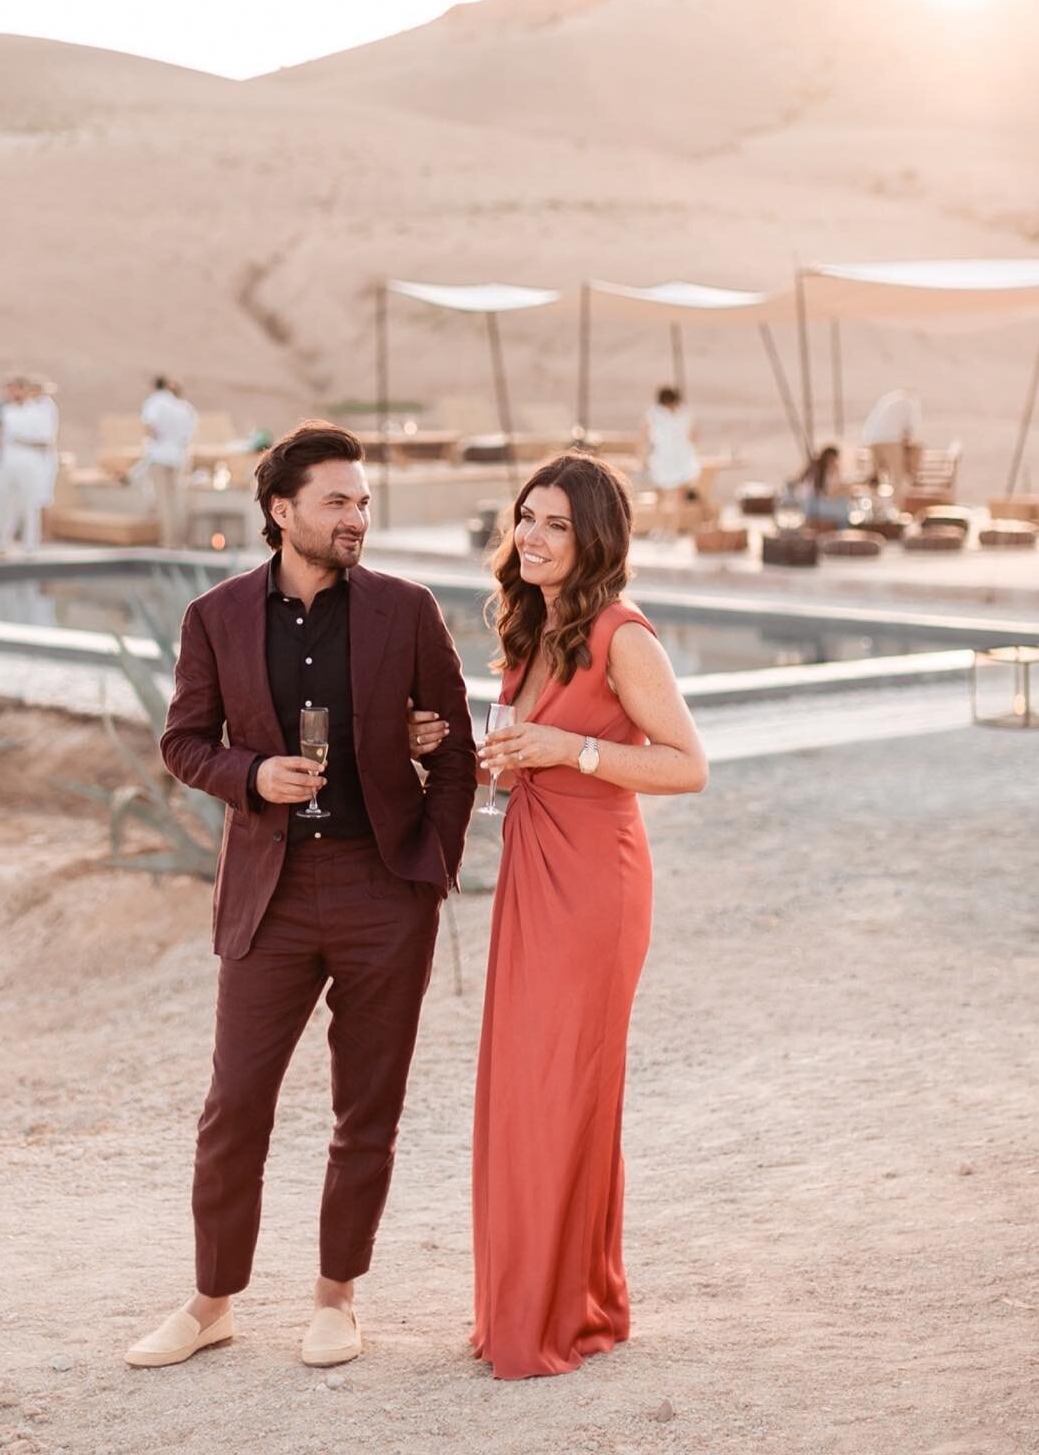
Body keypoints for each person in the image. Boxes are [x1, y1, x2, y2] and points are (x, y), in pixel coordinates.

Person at [128, 422, 475, 1373]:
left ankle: (336, 1297)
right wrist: (251, 774)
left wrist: (428, 872)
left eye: (362, 502)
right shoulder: (216, 615)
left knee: (367, 1108)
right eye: (338, 500)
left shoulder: (407, 610)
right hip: (269, 894)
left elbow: (457, 757)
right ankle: (211, 1302)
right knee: (235, 1103)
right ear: (282, 511)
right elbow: (183, 739)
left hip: (381, 887)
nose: (357, 516)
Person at [467, 452, 707, 1380]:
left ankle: (567, 1310)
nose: (531, 535)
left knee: (565, 1085)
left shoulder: (620, 635)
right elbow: (533, 754)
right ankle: (542, 1297)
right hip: (533, 866)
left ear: (593, 537)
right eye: (526, 517)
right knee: (521, 1086)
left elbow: (689, 764)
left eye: (555, 523)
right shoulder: (535, 633)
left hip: (596, 885)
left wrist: (571, 748)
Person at [0, 377, 54, 553]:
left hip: (30, 462)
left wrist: (21, 439)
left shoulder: (37, 411)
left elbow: (45, 439)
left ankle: (30, 543)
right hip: (8, 461)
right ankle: (3, 541)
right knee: (5, 502)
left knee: (30, 503)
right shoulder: (7, 412)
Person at [140, 374, 199, 547]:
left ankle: (169, 541)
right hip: (179, 456)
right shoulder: (184, 406)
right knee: (178, 499)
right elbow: (190, 433)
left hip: (160, 455)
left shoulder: (155, 403)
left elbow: (148, 426)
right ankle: (181, 539)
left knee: (165, 501)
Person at [644, 386, 701, 540]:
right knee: (660, 496)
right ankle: (660, 527)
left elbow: (694, 435)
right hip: (663, 458)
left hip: (679, 459)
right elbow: (646, 435)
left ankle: (672, 529)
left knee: (678, 496)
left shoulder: (684, 414)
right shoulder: (655, 414)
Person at [861, 389, 921, 496]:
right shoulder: (909, 403)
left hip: (872, 439)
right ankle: (898, 507)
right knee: (897, 477)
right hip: (890, 439)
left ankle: (873, 504)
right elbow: (909, 429)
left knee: (875, 478)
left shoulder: (890, 400)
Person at [788, 443, 854, 527]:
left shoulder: (815, 467)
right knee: (844, 506)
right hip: (815, 507)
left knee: (843, 503)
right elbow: (830, 493)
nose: (836, 461)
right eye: (835, 459)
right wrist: (845, 489)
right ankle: (843, 529)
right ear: (830, 458)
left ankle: (843, 527)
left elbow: (797, 481)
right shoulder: (824, 471)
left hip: (810, 505)